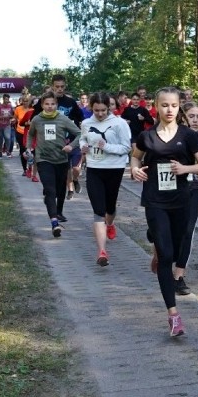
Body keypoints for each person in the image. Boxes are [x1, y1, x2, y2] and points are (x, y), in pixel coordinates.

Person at [130, 87, 198, 337]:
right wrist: (135, 169)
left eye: (174, 105)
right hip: (155, 200)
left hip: (181, 200)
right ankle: (173, 315)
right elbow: (135, 157)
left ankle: (158, 244)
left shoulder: (188, 136)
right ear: (156, 106)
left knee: (176, 245)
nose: (169, 110)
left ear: (179, 107)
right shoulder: (147, 136)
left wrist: (185, 169)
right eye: (164, 105)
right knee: (166, 258)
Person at [149, 101, 198, 294]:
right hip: (170, 191)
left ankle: (178, 276)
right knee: (167, 232)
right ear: (183, 116)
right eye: (191, 116)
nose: (195, 120)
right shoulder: (173, 136)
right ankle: (158, 243)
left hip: (192, 190)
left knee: (188, 232)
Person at [79, 92, 132, 267]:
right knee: (98, 210)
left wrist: (107, 147)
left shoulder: (120, 123)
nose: (100, 114)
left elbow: (126, 148)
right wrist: (83, 147)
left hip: (114, 168)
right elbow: (82, 139)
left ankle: (110, 224)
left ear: (109, 107)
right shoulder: (87, 123)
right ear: (91, 108)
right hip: (94, 168)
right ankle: (102, 251)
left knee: (110, 206)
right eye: (96, 110)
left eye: (103, 110)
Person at [27, 90, 81, 237]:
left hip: (61, 159)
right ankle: (54, 222)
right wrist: (29, 148)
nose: (50, 106)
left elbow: (79, 133)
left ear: (56, 105)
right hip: (43, 159)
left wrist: (71, 146)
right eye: (47, 104)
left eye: (52, 104)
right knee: (50, 190)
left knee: (59, 190)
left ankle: (56, 208)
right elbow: (31, 134)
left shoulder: (63, 119)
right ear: (42, 105)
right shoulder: (37, 120)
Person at [34, 74, 85, 200]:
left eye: (62, 86)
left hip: (71, 140)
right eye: (57, 87)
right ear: (52, 87)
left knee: (75, 168)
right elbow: (33, 118)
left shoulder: (71, 102)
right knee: (64, 169)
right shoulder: (46, 101)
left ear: (65, 86)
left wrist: (76, 124)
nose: (60, 89)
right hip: (54, 142)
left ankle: (75, 180)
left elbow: (80, 119)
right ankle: (66, 190)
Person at [14, 95, 32, 175]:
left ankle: (30, 168)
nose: (25, 102)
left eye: (27, 101)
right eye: (24, 101)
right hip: (20, 132)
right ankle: (24, 169)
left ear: (29, 102)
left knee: (30, 151)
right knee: (23, 150)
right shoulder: (18, 109)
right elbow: (15, 118)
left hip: (30, 133)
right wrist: (13, 121)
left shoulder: (33, 110)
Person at [0, 93, 15, 158]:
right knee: (0, 139)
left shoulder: (10, 107)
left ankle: (7, 151)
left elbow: (12, 116)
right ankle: (0, 151)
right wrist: (2, 116)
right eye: (6, 99)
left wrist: (10, 116)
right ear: (3, 99)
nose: (7, 100)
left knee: (8, 138)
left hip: (7, 125)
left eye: (8, 99)